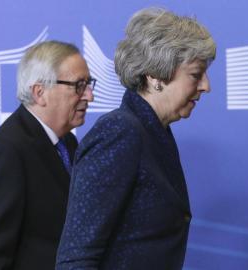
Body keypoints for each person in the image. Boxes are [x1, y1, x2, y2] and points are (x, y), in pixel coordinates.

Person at [56, 7, 216, 270]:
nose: (206, 86)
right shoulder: (120, 132)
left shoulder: (154, 131)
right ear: (155, 76)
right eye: (196, 75)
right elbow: (76, 258)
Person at [0, 40, 95, 270]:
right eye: (79, 85)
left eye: (89, 84)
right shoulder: (6, 152)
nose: (89, 96)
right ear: (39, 92)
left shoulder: (67, 141)